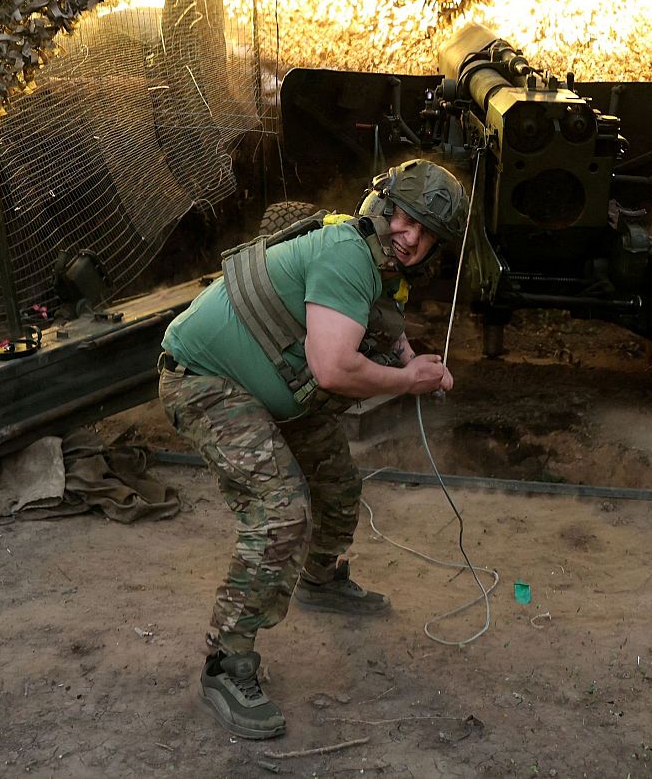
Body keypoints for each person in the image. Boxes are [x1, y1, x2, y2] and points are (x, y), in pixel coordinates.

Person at [158, 159, 469, 739]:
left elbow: (379, 323)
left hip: (268, 389)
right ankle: (225, 664)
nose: (411, 237)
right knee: (279, 514)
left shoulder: (374, 265)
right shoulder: (347, 254)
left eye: (426, 233)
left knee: (336, 480)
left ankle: (320, 579)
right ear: (383, 206)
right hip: (204, 380)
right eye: (406, 218)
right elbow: (331, 368)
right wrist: (409, 382)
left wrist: (410, 361)